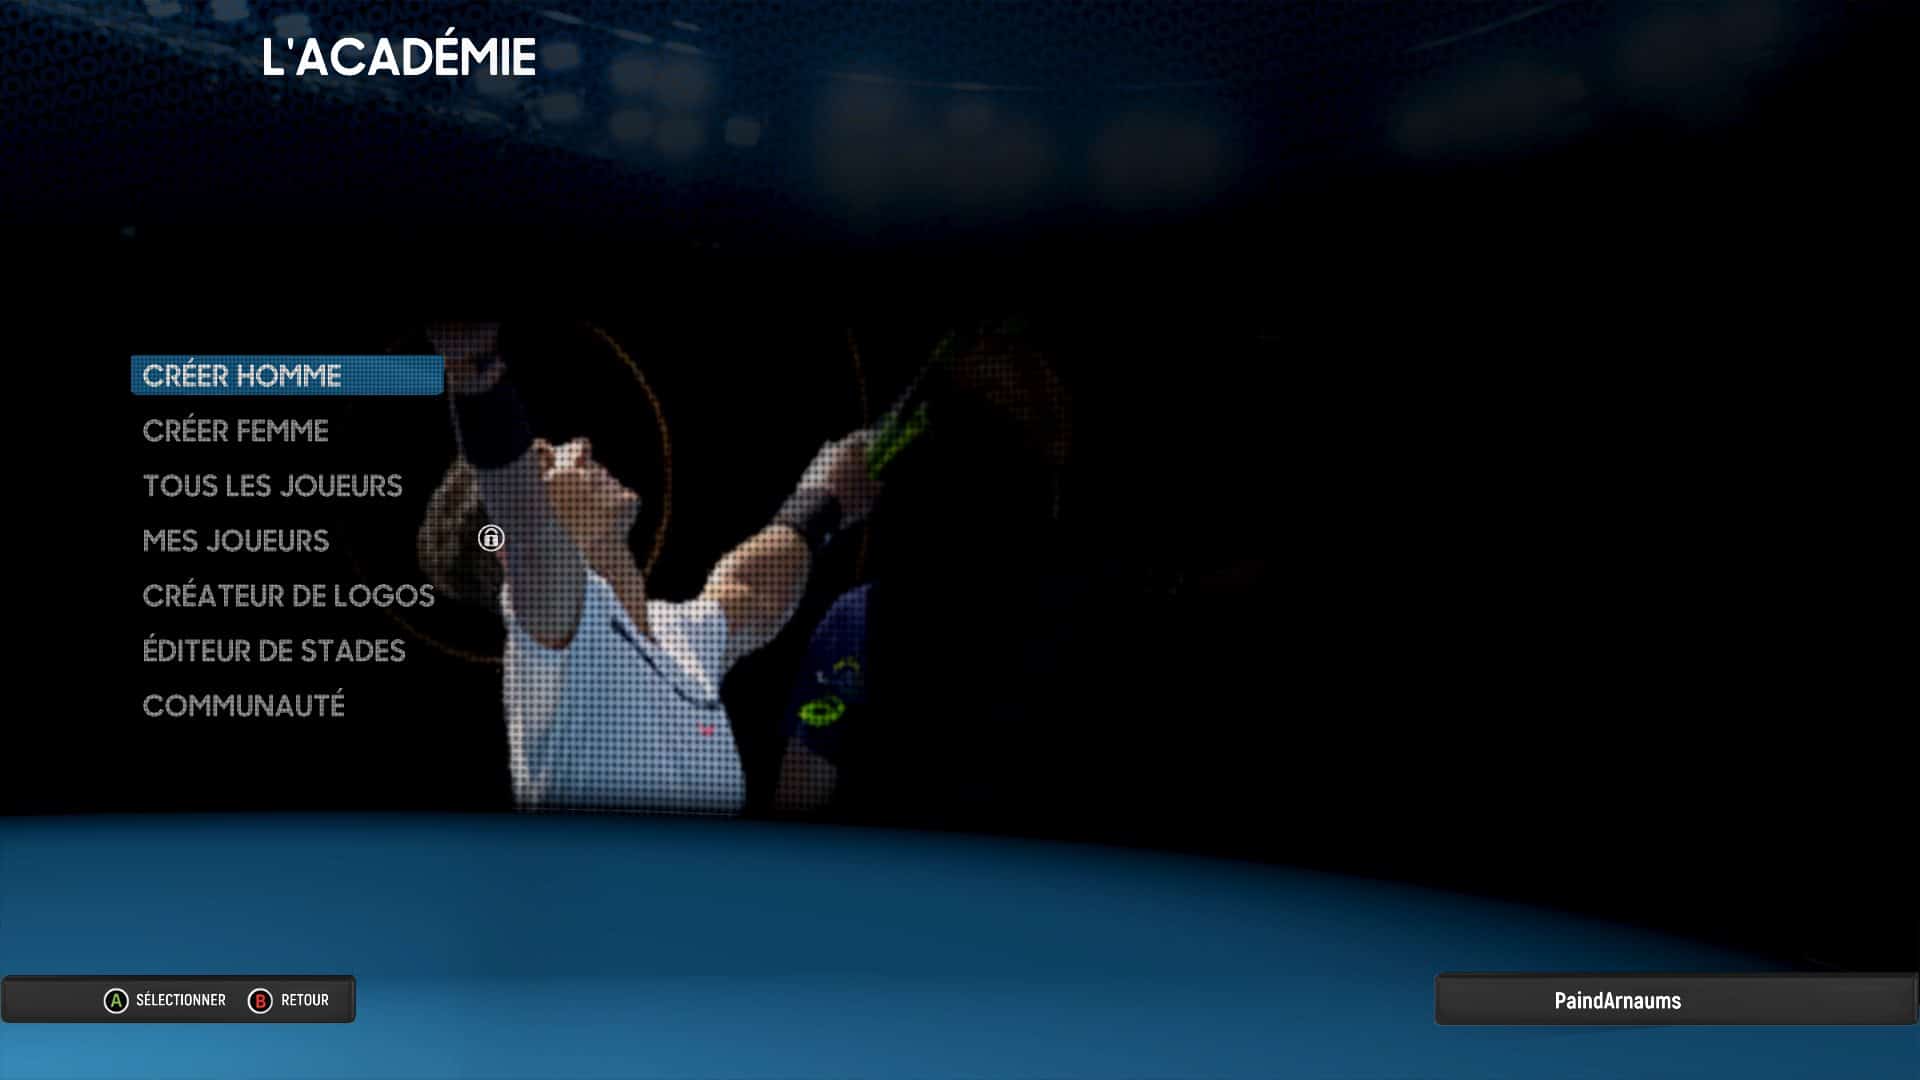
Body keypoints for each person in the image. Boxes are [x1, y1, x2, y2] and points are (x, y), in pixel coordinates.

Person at [417, 322, 876, 815]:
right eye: (548, 463)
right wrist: (474, 369)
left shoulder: (674, 633)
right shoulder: (555, 647)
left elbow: (752, 591)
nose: (580, 447)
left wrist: (826, 499)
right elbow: (515, 506)